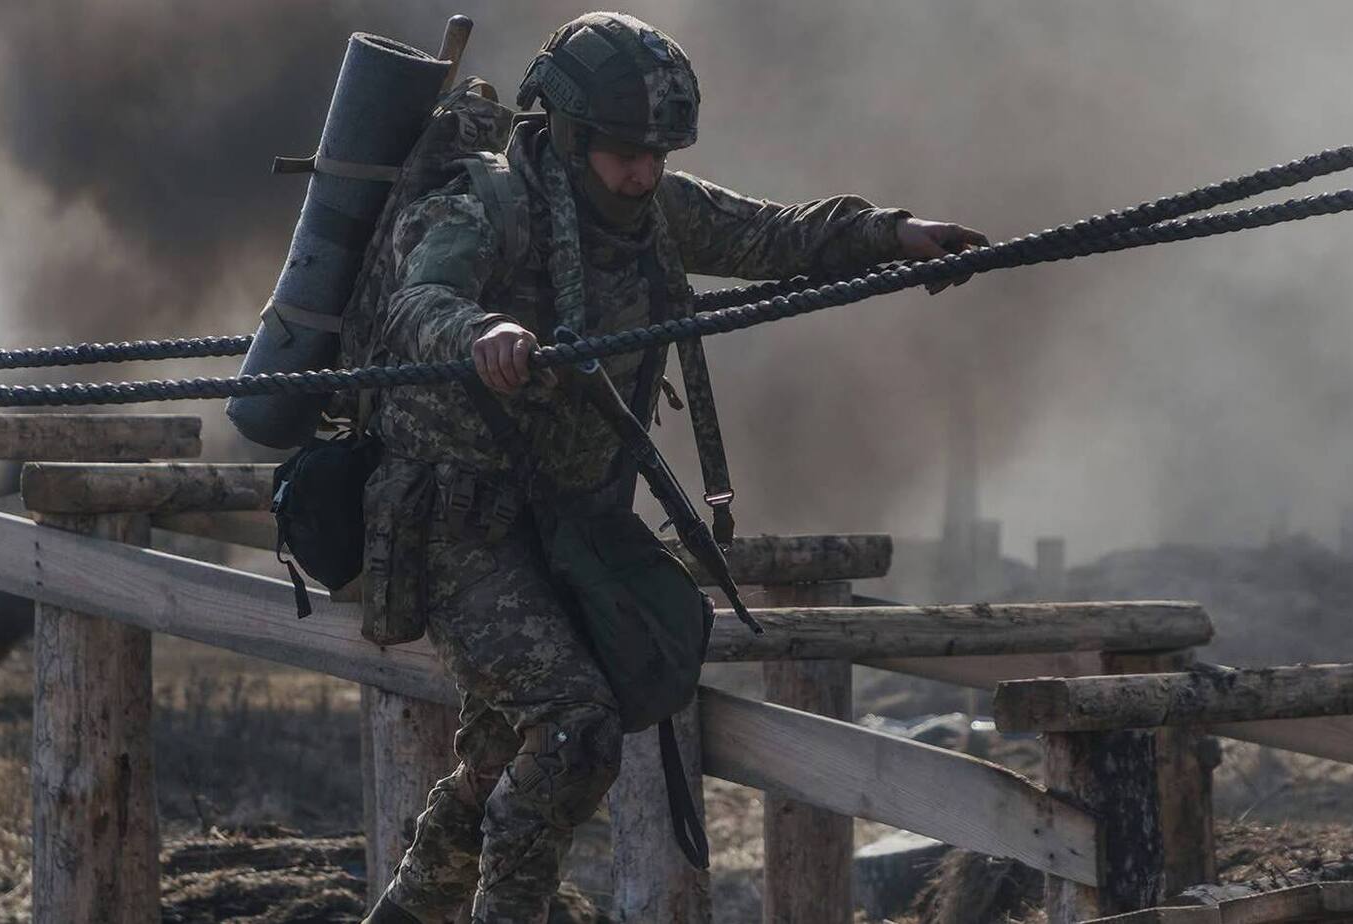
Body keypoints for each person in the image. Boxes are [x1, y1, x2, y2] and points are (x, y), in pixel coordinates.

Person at [360, 12, 987, 923]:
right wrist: (482, 332)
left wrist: (892, 235)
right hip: (458, 519)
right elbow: (420, 302)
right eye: (625, 153)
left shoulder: (655, 212)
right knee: (574, 728)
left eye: (658, 153)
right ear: (570, 136)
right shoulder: (481, 204)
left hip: (570, 520)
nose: (644, 172)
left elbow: (774, 237)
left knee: (501, 754)